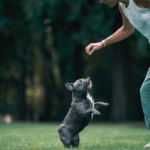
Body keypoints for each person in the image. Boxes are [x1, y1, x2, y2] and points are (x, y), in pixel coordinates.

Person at [85, 0, 150, 147]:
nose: (101, 1)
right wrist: (101, 43)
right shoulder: (123, 6)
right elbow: (128, 29)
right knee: (146, 91)